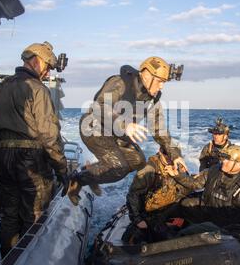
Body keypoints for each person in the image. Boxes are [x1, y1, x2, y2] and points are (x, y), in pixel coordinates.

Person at [68, 57, 186, 205]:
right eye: (159, 81)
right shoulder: (120, 83)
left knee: (138, 161)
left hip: (116, 133)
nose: (161, 86)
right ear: (146, 75)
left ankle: (91, 171)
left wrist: (175, 154)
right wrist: (125, 125)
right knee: (119, 167)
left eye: (164, 82)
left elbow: (159, 128)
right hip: (94, 126)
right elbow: (99, 106)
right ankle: (77, 179)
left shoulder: (152, 98)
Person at [0, 41, 68, 257]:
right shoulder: (38, 90)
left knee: (9, 215)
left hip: (4, 159)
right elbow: (50, 136)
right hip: (31, 162)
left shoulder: (1, 87)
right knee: (34, 217)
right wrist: (62, 169)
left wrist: (0, 161)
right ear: (36, 61)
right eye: (48, 67)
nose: (47, 72)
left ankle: (7, 261)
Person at [176, 145, 240, 230]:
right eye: (224, 159)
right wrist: (176, 175)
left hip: (231, 223)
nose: (223, 162)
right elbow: (195, 184)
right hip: (210, 211)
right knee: (185, 204)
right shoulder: (213, 171)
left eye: (228, 160)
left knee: (193, 232)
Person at [124, 147, 190, 241]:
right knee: (166, 237)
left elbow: (186, 190)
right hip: (151, 214)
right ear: (160, 152)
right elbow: (133, 194)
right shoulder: (149, 170)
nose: (169, 158)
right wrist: (138, 220)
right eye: (166, 154)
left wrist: (181, 175)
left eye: (173, 155)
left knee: (190, 226)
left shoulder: (178, 166)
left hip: (169, 210)